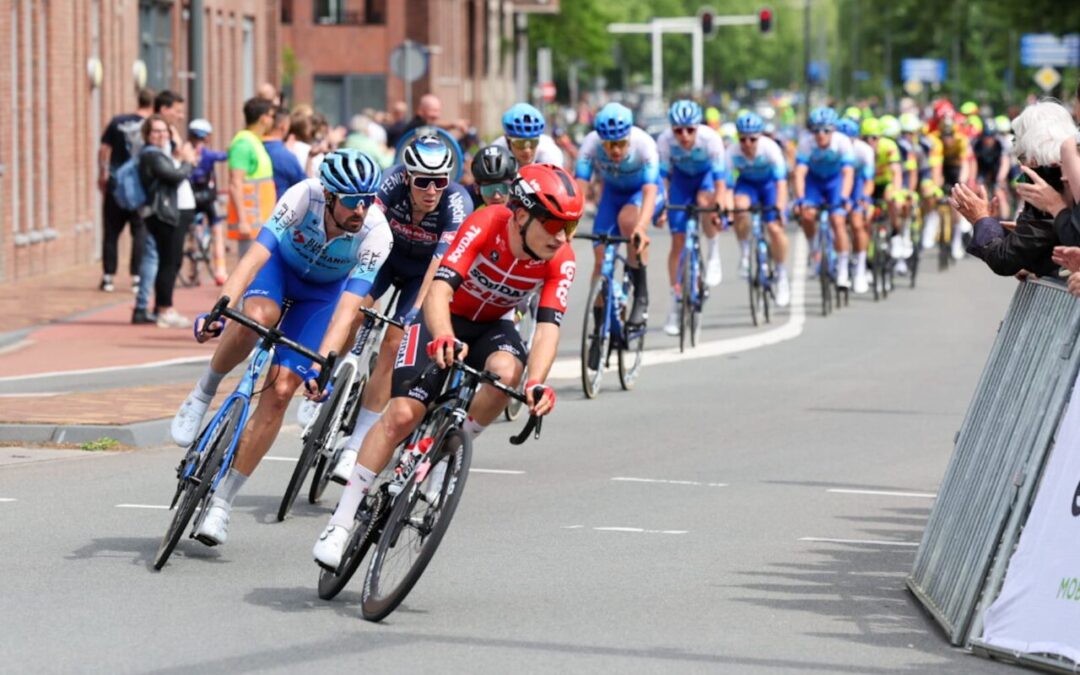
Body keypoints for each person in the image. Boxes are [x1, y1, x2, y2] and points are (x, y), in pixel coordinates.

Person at [311, 163, 578, 569]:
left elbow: (546, 329)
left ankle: (445, 451)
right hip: (443, 317)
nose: (561, 236)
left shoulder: (561, 257)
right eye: (555, 223)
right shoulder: (486, 222)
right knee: (401, 415)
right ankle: (342, 521)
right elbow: (438, 289)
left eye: (570, 227)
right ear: (522, 215)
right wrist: (441, 335)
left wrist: (537, 382)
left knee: (508, 375)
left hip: (494, 326)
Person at [170, 149, 393, 546]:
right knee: (255, 317)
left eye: (368, 199)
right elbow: (255, 256)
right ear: (329, 195)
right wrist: (219, 308)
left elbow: (346, 310)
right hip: (279, 272)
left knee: (283, 390)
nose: (361, 208)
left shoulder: (377, 233)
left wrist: (323, 365)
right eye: (352, 200)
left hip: (323, 295)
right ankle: (203, 391)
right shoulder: (303, 195)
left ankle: (222, 503)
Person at [323, 137, 473, 482]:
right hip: (386, 259)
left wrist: (414, 313)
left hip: (423, 274)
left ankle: (354, 445)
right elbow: (362, 234)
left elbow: (439, 265)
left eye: (440, 180)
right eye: (423, 181)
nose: (432, 189)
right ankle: (329, 373)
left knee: (394, 342)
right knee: (355, 312)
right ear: (407, 178)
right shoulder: (389, 182)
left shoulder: (457, 202)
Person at [953, 101, 1077, 277]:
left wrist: (981, 219)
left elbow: (1004, 260)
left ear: (1033, 155)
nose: (1024, 168)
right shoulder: (1058, 173)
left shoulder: (1048, 179)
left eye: (1022, 157)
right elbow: (1056, 244)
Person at [575, 102, 662, 328]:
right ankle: (598, 325)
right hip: (612, 195)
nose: (615, 150)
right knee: (600, 258)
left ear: (629, 137)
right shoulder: (591, 144)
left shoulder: (644, 144)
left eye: (621, 144)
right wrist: (569, 223)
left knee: (629, 222)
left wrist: (641, 228)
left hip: (639, 193)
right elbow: (580, 188)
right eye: (609, 145)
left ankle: (641, 294)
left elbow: (650, 191)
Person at [656, 100, 729, 335]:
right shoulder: (665, 141)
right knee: (677, 242)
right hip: (680, 182)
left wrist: (719, 205)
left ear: (698, 128)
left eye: (690, 130)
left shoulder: (711, 139)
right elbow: (663, 179)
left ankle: (714, 251)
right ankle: (675, 302)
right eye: (678, 130)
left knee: (705, 203)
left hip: (705, 179)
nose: (684, 135)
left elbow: (720, 180)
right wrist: (662, 205)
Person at [137, 115, 198, 328]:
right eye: (156, 131)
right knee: (168, 262)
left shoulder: (162, 152)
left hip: (171, 214)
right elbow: (173, 175)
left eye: (165, 131)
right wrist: (187, 163)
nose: (161, 135)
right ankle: (164, 309)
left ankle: (162, 306)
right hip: (164, 216)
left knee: (172, 261)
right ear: (147, 134)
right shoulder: (152, 155)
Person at [728, 112, 791, 304]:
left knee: (774, 228)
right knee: (739, 207)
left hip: (769, 186)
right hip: (747, 185)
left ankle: (781, 274)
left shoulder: (770, 148)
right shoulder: (731, 151)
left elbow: (781, 183)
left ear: (760, 136)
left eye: (752, 139)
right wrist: (729, 210)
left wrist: (780, 207)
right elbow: (726, 186)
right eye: (743, 139)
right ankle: (745, 252)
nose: (747, 144)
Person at [98, 88, 153, 294]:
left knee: (111, 231)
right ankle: (136, 277)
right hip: (140, 187)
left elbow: (104, 149)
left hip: (117, 184)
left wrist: (103, 173)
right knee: (139, 230)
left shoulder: (117, 121)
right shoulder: (151, 126)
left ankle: (108, 277)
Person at [794, 107, 855, 289]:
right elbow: (799, 173)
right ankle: (814, 251)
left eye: (826, 130)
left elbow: (848, 172)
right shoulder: (806, 143)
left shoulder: (843, 142)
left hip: (835, 182)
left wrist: (844, 197)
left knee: (837, 220)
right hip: (814, 182)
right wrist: (800, 199)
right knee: (807, 215)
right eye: (816, 130)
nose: (821, 135)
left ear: (833, 131)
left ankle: (843, 269)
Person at [227, 97, 277, 258]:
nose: (273, 120)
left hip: (260, 223)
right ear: (263, 118)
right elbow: (235, 182)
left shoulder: (254, 142)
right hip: (250, 224)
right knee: (248, 274)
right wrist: (243, 220)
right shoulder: (243, 144)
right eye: (271, 116)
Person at [188, 119, 229, 284]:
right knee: (217, 233)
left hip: (192, 200)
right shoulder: (208, 154)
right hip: (210, 199)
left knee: (192, 234)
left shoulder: (186, 152)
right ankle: (220, 271)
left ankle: (193, 273)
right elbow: (225, 156)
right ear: (206, 137)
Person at [837, 117, 873, 293]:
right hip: (839, 183)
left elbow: (868, 180)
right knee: (836, 220)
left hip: (858, 184)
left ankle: (860, 268)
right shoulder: (834, 149)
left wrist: (864, 197)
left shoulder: (864, 150)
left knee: (858, 223)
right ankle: (839, 263)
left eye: (849, 139)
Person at [491, 102, 565, 168]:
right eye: (520, 143)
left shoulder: (549, 151)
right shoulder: (496, 152)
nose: (527, 150)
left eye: (533, 142)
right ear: (507, 140)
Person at [262, 107, 307, 200]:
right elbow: (305, 188)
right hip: (281, 209)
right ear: (283, 126)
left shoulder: (254, 147)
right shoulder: (286, 156)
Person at [468, 144, 518, 209]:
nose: (496, 196)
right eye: (489, 190)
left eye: (503, 188)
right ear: (477, 189)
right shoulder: (467, 205)